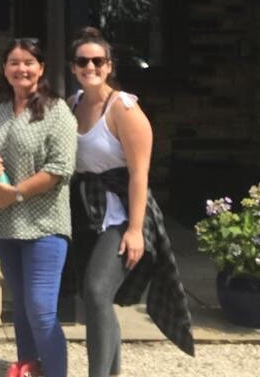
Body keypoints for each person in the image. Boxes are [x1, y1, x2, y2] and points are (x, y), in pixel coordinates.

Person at [68, 27, 194, 376]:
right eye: (82, 61)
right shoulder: (73, 104)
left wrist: (136, 230)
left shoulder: (124, 109)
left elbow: (139, 175)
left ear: (109, 66)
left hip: (123, 213)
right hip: (88, 210)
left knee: (97, 291)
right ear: (73, 67)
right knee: (95, 299)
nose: (90, 67)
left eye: (98, 61)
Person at [0, 38, 77, 377]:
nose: (21, 68)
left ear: (41, 68)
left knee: (40, 308)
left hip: (45, 225)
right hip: (6, 226)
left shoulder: (57, 111)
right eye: (14, 62)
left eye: (28, 62)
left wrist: (17, 193)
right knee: (21, 305)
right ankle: (29, 368)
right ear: (4, 69)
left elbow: (60, 168)